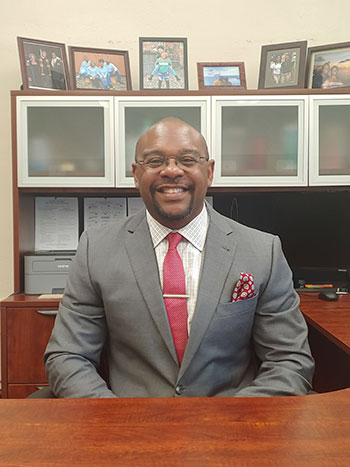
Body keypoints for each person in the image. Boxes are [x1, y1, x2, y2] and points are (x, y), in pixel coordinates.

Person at [44, 117, 314, 398]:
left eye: (187, 159)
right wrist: (117, 421)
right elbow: (67, 357)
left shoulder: (262, 251)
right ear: (136, 173)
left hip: (230, 425)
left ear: (209, 172)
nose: (171, 171)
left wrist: (233, 422)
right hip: (131, 425)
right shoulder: (96, 249)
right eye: (155, 161)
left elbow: (289, 361)